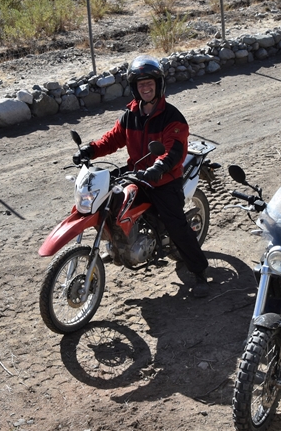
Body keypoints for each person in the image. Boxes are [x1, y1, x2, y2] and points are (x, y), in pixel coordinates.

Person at [75, 55, 211, 297]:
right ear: (134, 88)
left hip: (163, 179)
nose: (145, 88)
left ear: (158, 85)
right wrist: (90, 150)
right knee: (106, 199)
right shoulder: (130, 114)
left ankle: (200, 272)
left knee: (176, 224)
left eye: (149, 83)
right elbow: (112, 139)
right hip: (137, 172)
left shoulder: (173, 117)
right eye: (140, 84)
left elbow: (173, 151)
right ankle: (119, 243)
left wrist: (159, 167)